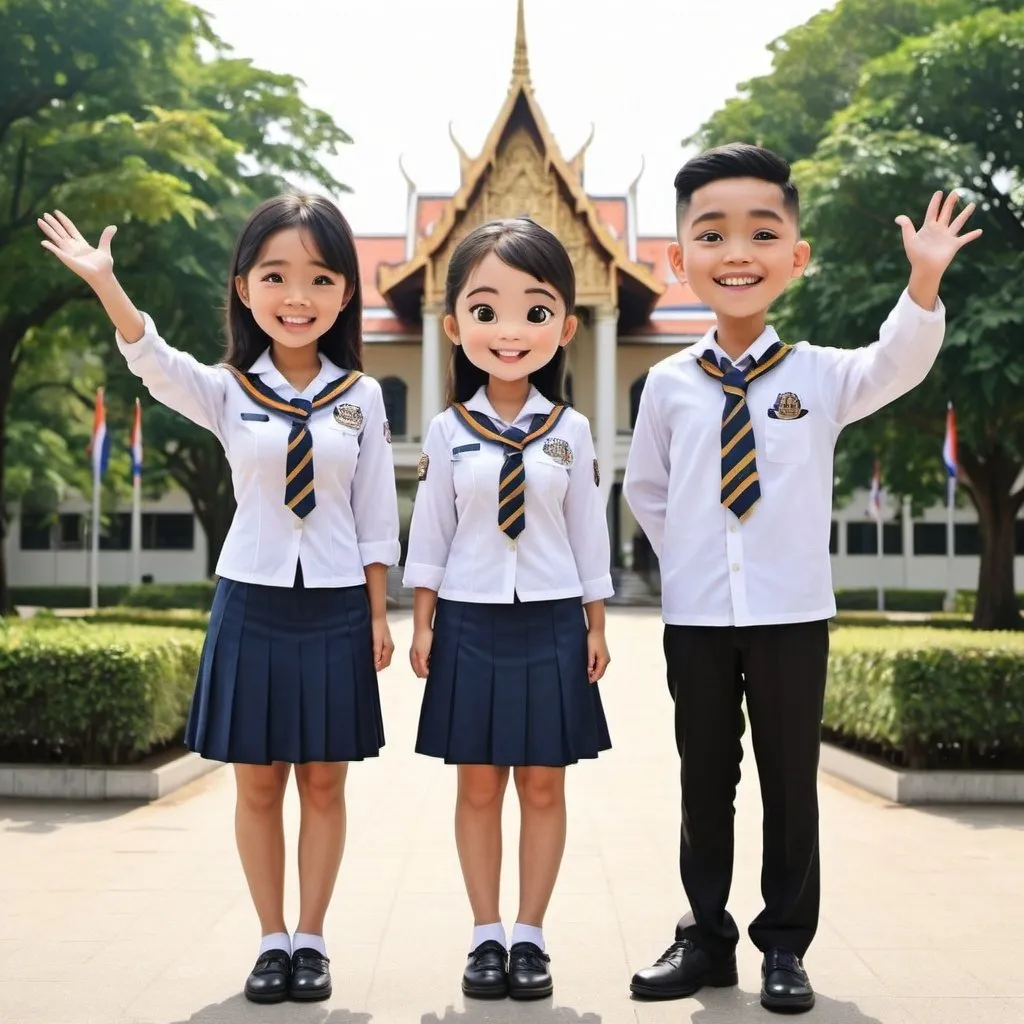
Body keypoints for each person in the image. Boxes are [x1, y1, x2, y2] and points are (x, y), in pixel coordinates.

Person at [623, 143, 980, 1014]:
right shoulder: (668, 384)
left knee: (789, 784)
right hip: (699, 619)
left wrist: (923, 282)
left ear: (796, 255)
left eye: (762, 233)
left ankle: (784, 945)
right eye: (711, 234)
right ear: (679, 261)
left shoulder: (820, 375)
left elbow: (896, 364)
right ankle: (704, 938)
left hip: (791, 616)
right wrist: (696, 566)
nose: (736, 253)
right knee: (704, 783)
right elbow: (648, 490)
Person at [38, 195, 401, 1005]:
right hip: (254, 600)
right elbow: (153, 361)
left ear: (345, 295)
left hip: (337, 603)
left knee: (325, 784)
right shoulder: (231, 390)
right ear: (245, 288)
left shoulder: (362, 399)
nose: (297, 295)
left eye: (319, 277)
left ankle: (313, 938)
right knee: (260, 783)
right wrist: (107, 286)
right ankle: (271, 940)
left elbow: (376, 514)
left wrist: (379, 613)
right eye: (276, 276)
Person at [404, 217, 613, 1002]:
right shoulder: (447, 431)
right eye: (486, 312)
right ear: (456, 327)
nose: (510, 330)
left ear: (563, 327)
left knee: (546, 786)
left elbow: (590, 534)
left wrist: (596, 623)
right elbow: (431, 530)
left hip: (553, 619)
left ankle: (531, 935)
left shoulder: (573, 432)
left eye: (535, 310)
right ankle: (485, 934)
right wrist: (422, 620)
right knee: (480, 785)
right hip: (471, 619)